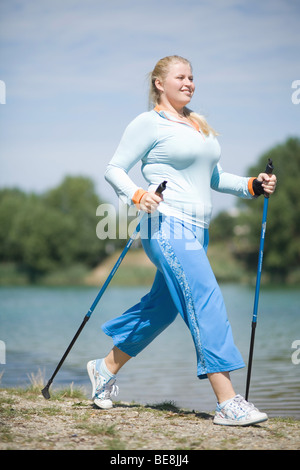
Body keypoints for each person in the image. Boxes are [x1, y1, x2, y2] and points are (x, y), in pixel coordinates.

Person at [87, 55, 277, 426]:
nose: (189, 82)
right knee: (205, 297)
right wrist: (139, 195)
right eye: (181, 77)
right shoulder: (149, 123)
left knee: (164, 307)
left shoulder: (197, 124)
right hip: (166, 225)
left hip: (199, 231)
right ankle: (227, 401)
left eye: (192, 77)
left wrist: (254, 185)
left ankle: (104, 368)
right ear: (160, 83)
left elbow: (215, 177)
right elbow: (113, 169)